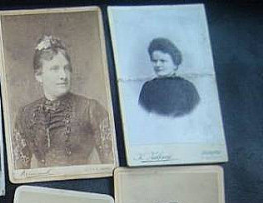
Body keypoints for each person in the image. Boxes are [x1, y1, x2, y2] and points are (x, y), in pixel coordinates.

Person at [12, 36, 113, 169]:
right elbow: (19, 169)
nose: (63, 76)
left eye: (66, 68)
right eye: (55, 69)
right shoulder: (25, 114)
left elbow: (111, 163)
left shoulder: (90, 109)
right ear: (39, 76)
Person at [138, 38, 200, 117]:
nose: (158, 65)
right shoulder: (148, 88)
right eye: (154, 61)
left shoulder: (187, 88)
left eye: (163, 61)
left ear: (175, 63)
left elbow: (195, 114)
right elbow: (142, 115)